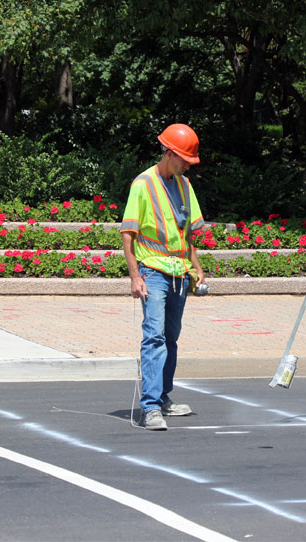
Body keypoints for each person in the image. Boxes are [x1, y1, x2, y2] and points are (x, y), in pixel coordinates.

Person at [121, 123, 207, 431]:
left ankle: (163, 396)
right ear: (169, 153)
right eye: (185, 159)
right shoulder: (142, 184)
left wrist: (196, 267)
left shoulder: (184, 185)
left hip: (179, 274)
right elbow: (128, 235)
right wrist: (135, 277)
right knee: (154, 337)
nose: (187, 165)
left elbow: (188, 236)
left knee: (170, 338)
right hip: (153, 271)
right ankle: (150, 407)